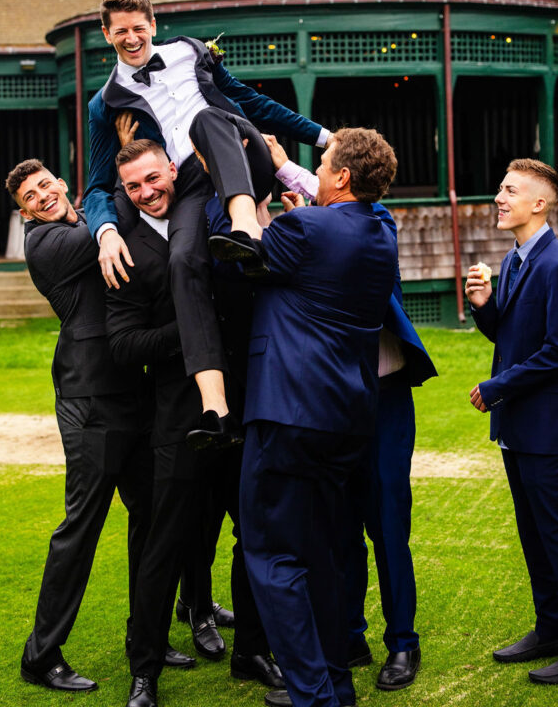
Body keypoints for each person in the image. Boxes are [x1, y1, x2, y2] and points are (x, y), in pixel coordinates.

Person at [84, 0, 330, 445]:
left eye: (139, 28)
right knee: (182, 264)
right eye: (121, 32)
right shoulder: (105, 103)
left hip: (238, 149)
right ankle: (215, 409)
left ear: (153, 26)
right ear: (106, 34)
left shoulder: (192, 54)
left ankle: (244, 229)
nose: (132, 38)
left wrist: (322, 137)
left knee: (206, 121)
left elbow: (254, 103)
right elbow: (97, 183)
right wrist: (105, 231)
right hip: (191, 186)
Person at [105, 139, 284, 707]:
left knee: (256, 533)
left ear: (173, 170)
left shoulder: (212, 213)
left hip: (247, 403)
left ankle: (252, 650)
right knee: (165, 544)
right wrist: (190, 328)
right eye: (133, 187)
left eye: (153, 179)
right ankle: (145, 673)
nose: (146, 192)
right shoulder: (122, 249)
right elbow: (122, 344)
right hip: (179, 418)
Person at [228, 126, 399, 707]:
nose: (317, 170)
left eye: (323, 163)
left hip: (288, 411)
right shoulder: (382, 230)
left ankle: (312, 694)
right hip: (347, 416)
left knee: (272, 553)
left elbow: (245, 251)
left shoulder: (305, 228)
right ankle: (335, 683)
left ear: (344, 176)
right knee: (322, 552)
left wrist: (249, 200)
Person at [262, 134, 437, 692]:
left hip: (385, 400)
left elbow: (356, 207)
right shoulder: (319, 229)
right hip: (335, 402)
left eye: (323, 169)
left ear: (346, 182)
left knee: (387, 527)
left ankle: (402, 644)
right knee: (336, 528)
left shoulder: (376, 221)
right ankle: (350, 637)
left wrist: (287, 166)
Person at [5, 159, 163, 693]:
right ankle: (40, 655)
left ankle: (148, 635)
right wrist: (116, 185)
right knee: (82, 528)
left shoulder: (84, 223)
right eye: (30, 196)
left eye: (45, 185)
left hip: (133, 391)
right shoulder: (48, 244)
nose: (42, 197)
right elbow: (123, 205)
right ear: (24, 211)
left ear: (61, 182)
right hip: (89, 400)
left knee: (151, 515)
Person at [466, 158, 558, 686]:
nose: (500, 198)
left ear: (540, 204)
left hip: (551, 430)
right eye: (500, 188)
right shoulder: (514, 261)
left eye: (511, 191)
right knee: (534, 535)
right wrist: (485, 306)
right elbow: (509, 339)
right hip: (517, 429)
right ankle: (551, 628)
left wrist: (495, 388)